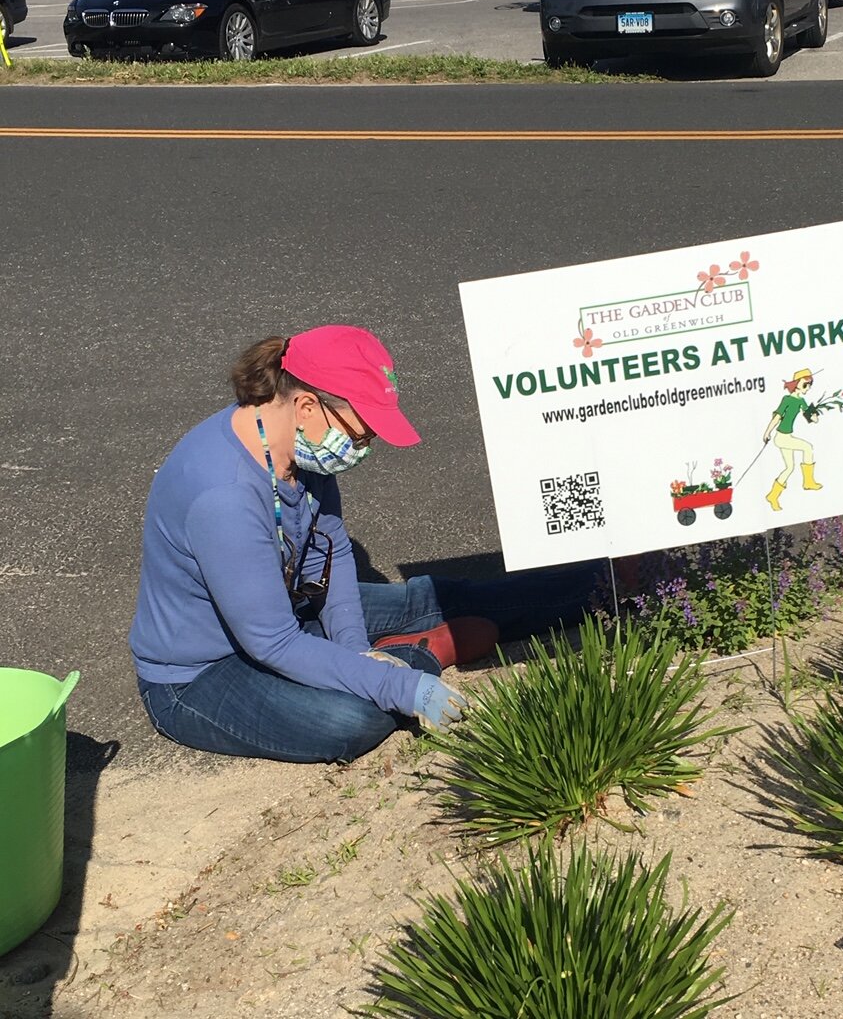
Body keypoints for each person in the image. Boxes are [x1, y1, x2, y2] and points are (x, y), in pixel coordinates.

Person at [129, 326, 599, 763]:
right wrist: (398, 683)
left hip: (288, 611)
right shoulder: (224, 497)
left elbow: (329, 550)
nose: (366, 444)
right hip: (203, 673)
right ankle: (419, 656)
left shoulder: (293, 445)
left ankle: (609, 585)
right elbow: (272, 642)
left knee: (429, 598)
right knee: (352, 720)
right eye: (362, 430)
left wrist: (356, 649)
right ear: (309, 406)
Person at [761, 368, 821, 513]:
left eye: (809, 385)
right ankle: (808, 481)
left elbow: (812, 418)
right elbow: (777, 417)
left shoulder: (801, 401)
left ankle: (772, 495)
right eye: (805, 385)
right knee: (807, 447)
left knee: (789, 468)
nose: (808, 388)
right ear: (796, 384)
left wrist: (813, 415)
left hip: (787, 437)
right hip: (782, 437)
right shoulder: (787, 400)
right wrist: (767, 432)